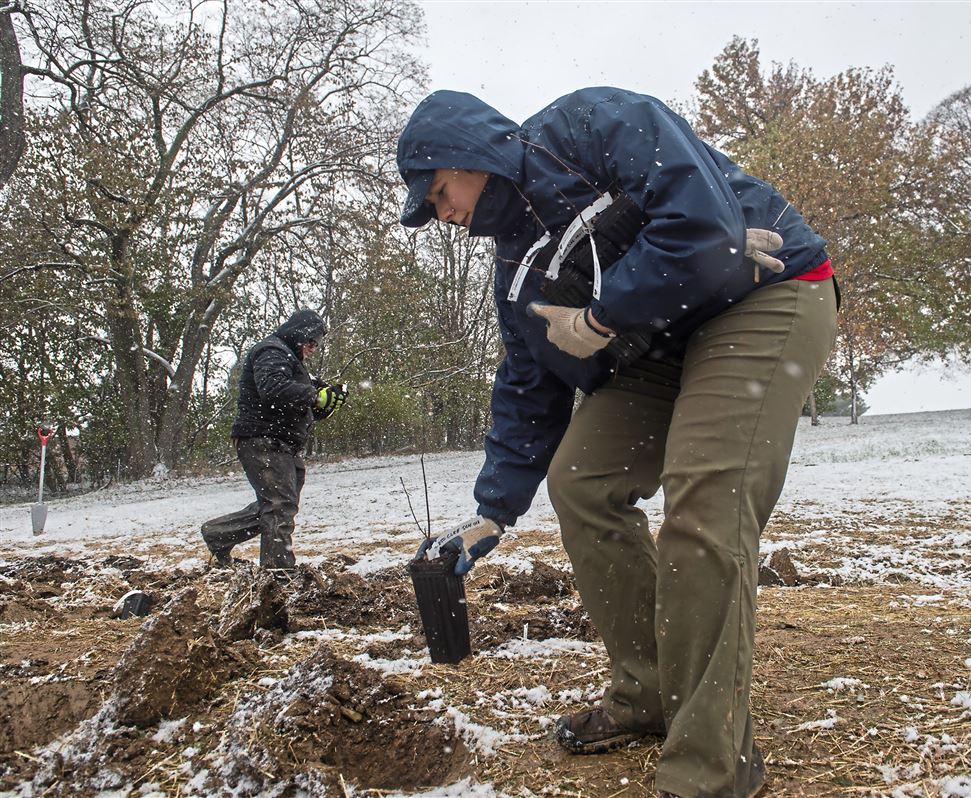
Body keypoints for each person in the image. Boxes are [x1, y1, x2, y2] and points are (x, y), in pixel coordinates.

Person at [398, 87, 838, 798]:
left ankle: (710, 767)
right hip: (661, 342)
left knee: (706, 497)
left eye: (438, 193)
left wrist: (604, 314)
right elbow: (526, 386)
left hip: (764, 288)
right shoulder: (514, 271)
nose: (442, 215)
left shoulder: (587, 126)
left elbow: (702, 222)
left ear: (464, 154)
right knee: (582, 481)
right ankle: (652, 691)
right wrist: (492, 511)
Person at [200, 308, 347, 575]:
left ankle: (219, 534)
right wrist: (314, 396)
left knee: (277, 505)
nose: (313, 348)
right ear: (298, 334)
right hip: (264, 440)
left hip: (282, 443)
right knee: (279, 506)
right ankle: (277, 576)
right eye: (311, 341)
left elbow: (295, 401)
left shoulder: (289, 357)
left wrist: (324, 402)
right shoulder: (271, 351)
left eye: (317, 343)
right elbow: (274, 389)